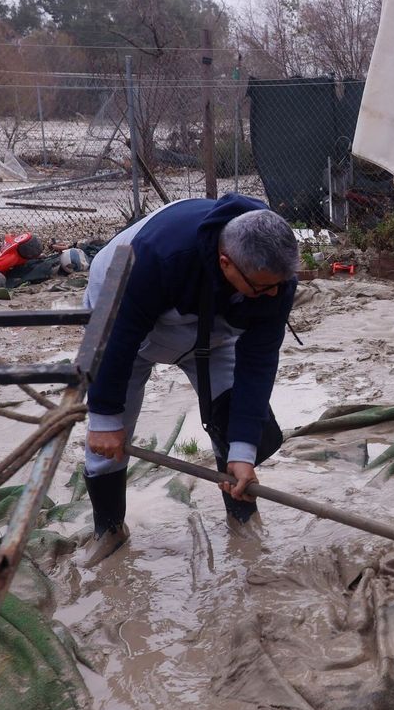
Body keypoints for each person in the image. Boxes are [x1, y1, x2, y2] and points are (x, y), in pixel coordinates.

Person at [81, 195, 300, 562]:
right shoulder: (154, 257)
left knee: (237, 424)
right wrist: (104, 417)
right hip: (126, 321)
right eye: (264, 289)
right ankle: (109, 527)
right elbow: (115, 340)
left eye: (279, 286)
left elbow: (258, 362)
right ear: (225, 262)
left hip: (213, 329)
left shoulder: (272, 276)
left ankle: (243, 521)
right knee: (109, 434)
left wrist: (243, 451)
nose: (274, 295)